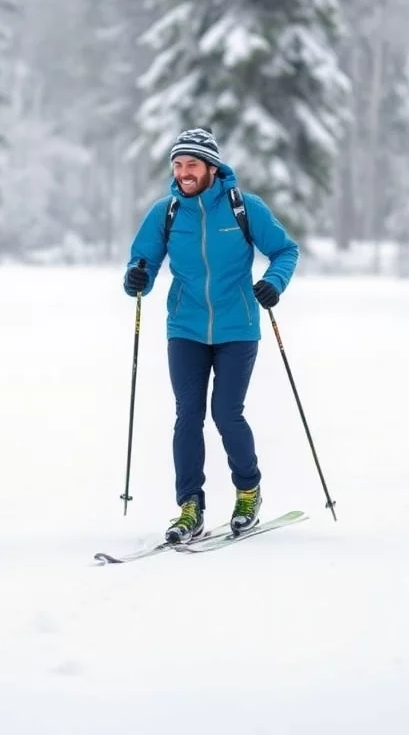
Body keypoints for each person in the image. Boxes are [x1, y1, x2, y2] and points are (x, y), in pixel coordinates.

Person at [123, 128, 299, 543]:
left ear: (211, 167)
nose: (184, 172)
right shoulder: (165, 213)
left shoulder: (244, 208)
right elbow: (141, 265)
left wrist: (274, 281)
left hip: (237, 327)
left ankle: (248, 491)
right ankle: (190, 507)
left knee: (226, 411)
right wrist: (136, 278)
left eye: (192, 165)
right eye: (178, 165)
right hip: (185, 327)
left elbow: (285, 250)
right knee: (188, 415)